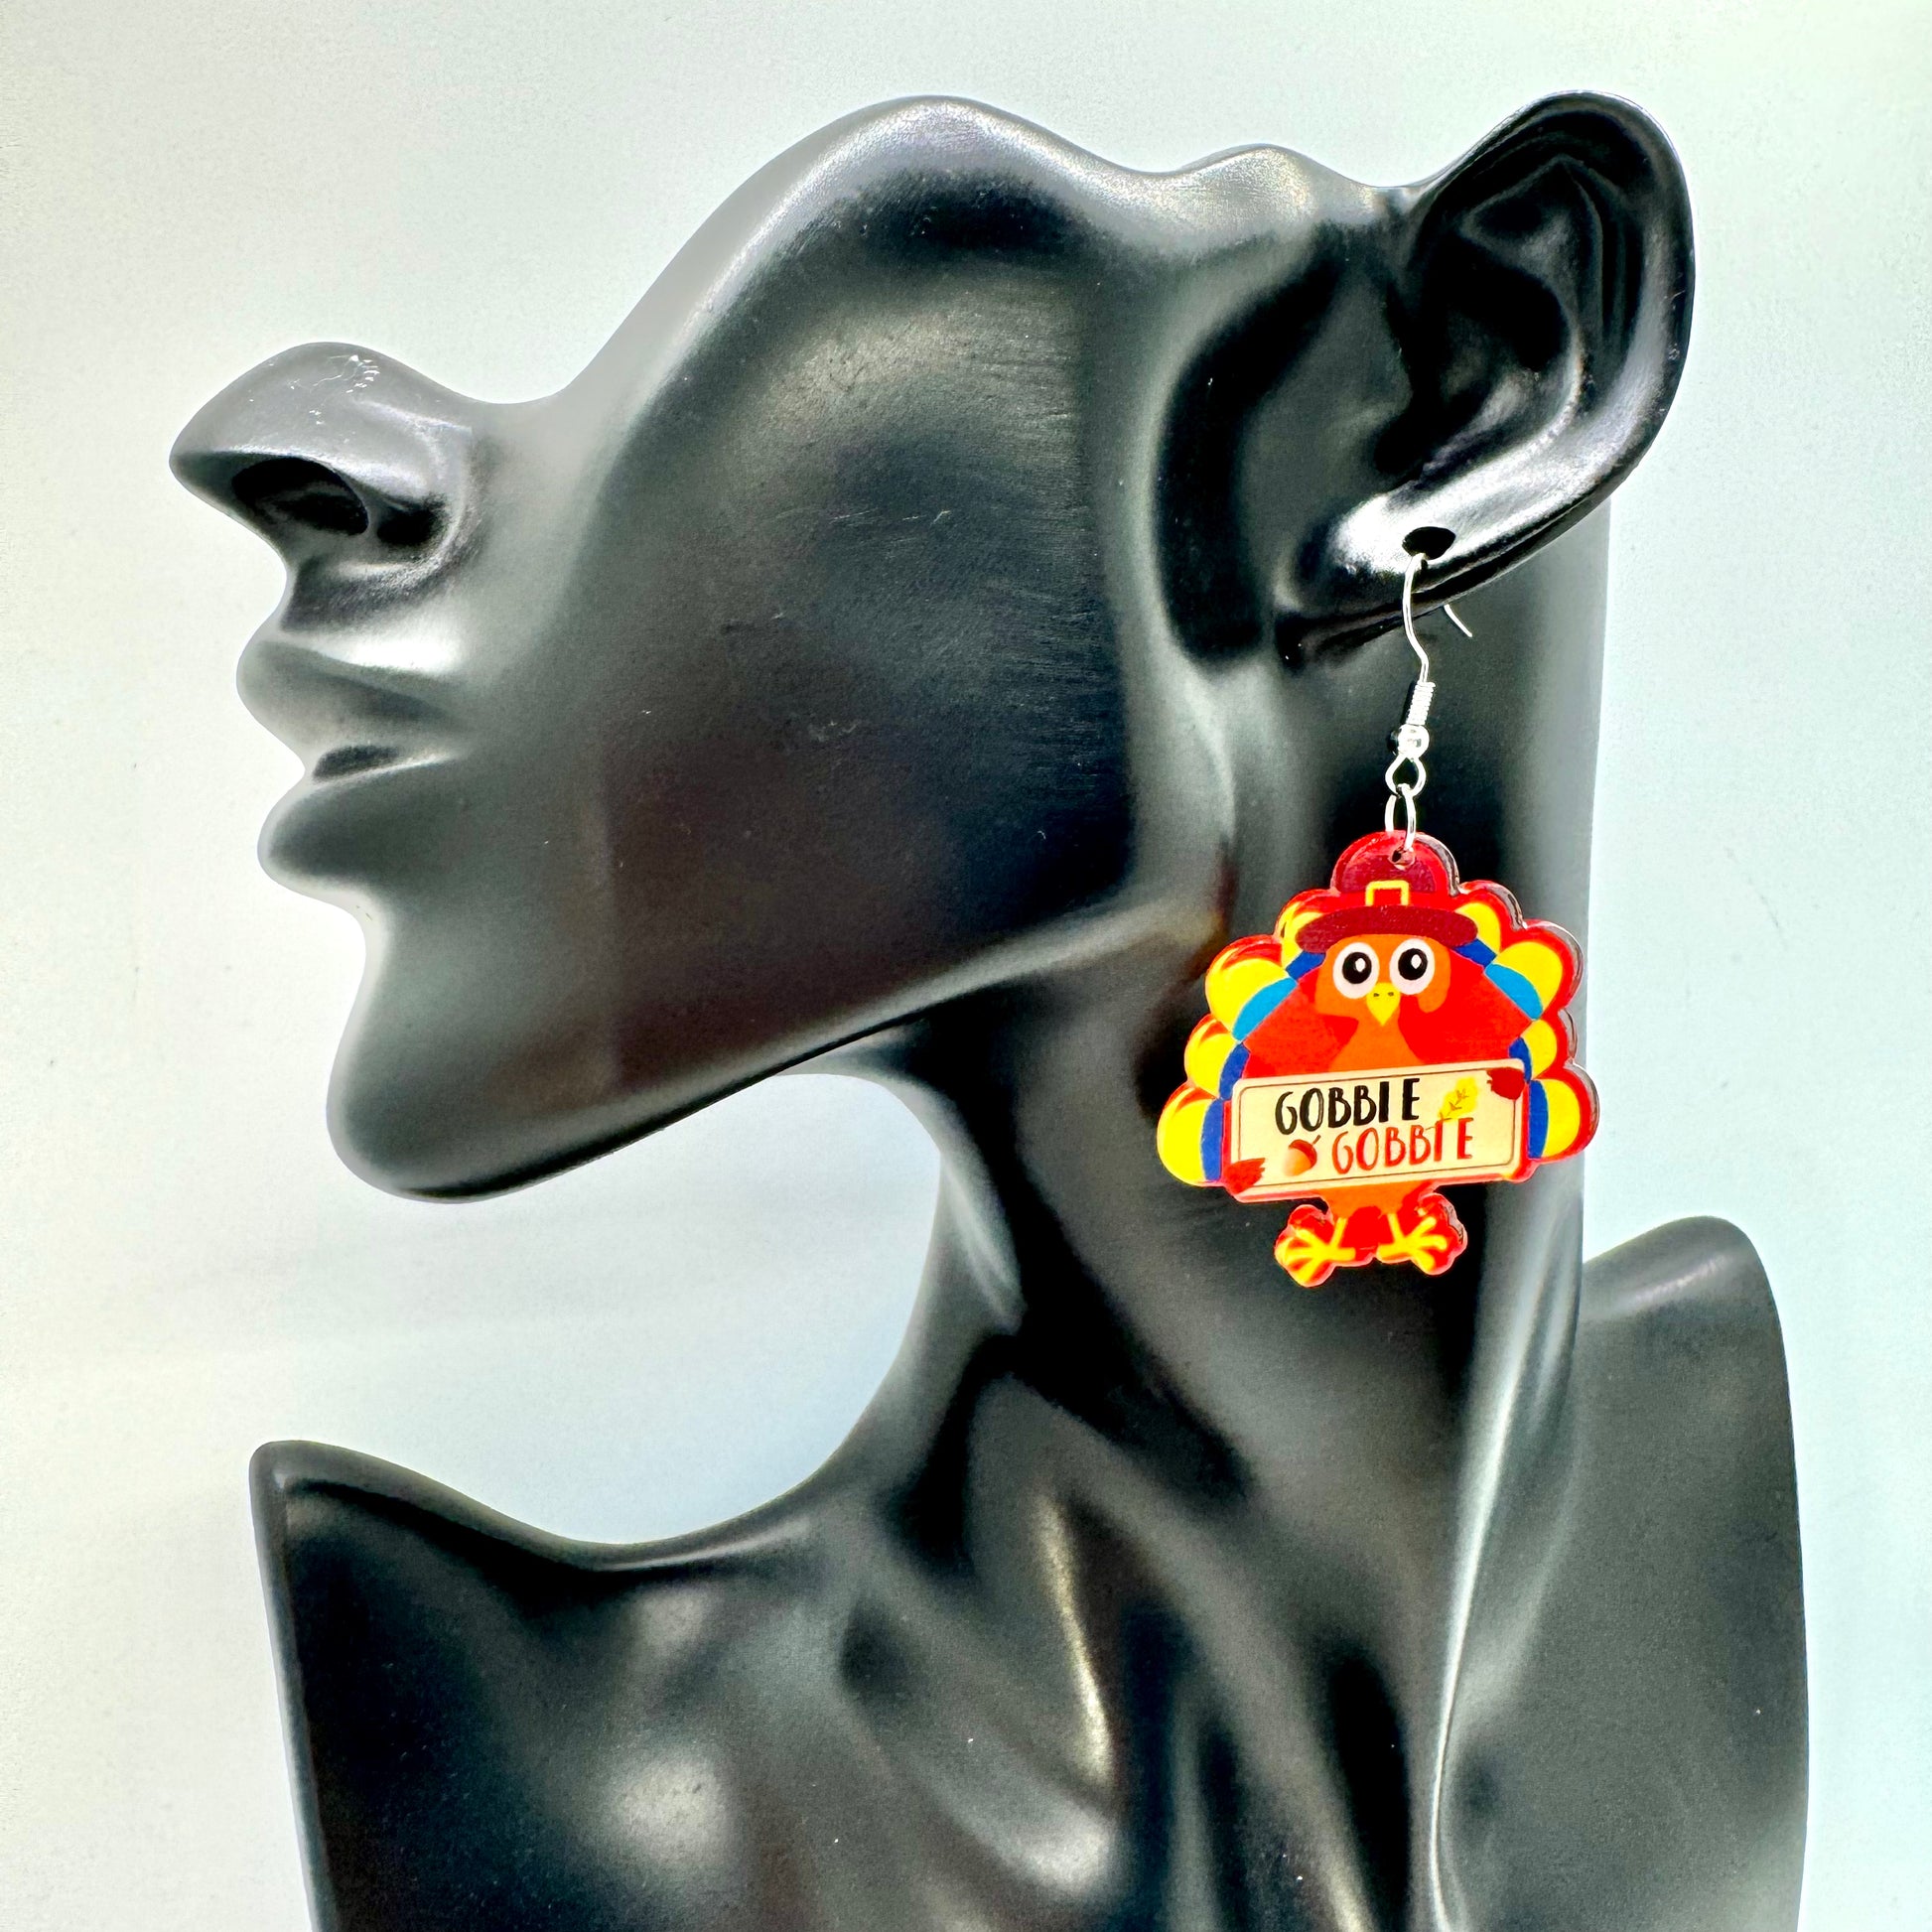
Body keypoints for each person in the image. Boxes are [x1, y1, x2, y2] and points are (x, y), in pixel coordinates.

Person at [172, 92, 1804, 1932]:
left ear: (1483, 398)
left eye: (901, 220)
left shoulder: (1703, 1448)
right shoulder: (495, 1755)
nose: (291, 451)